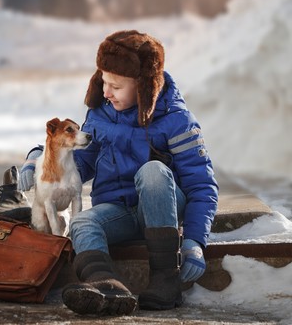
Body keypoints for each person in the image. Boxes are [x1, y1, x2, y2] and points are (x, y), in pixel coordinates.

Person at [18, 30, 219, 316]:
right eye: (103, 82)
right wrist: (40, 158)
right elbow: (81, 163)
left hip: (163, 209)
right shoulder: (102, 112)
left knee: (152, 172)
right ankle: (106, 286)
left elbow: (202, 186)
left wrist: (195, 242)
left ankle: (165, 279)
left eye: (116, 85)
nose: (106, 92)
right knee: (82, 223)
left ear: (144, 87)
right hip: (118, 212)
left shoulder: (176, 120)